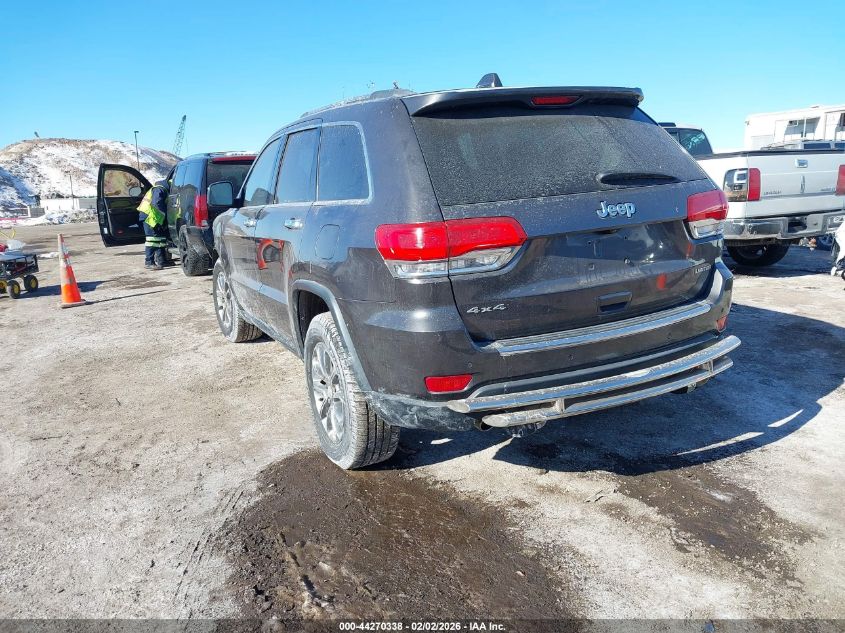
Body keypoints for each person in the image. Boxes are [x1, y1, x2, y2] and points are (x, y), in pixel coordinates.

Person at [137, 180, 170, 270]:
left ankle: (162, 261)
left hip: (153, 216)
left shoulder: (161, 189)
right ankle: (149, 261)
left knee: (160, 239)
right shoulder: (159, 189)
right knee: (152, 239)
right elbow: (157, 203)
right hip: (150, 216)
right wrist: (164, 215)